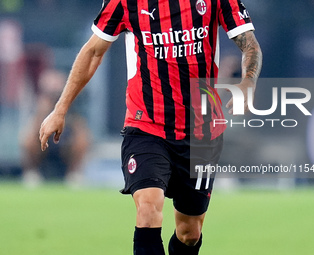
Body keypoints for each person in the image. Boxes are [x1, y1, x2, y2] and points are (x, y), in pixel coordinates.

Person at [39, 0, 262, 254]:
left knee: (189, 232)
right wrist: (60, 109)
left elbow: (249, 44)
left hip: (201, 132)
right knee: (148, 208)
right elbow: (93, 52)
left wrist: (249, 82)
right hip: (146, 126)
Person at [22, 69, 90, 187]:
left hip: (65, 141)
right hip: (44, 142)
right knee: (27, 140)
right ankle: (32, 173)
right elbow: (32, 130)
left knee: (82, 140)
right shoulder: (40, 106)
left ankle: (74, 174)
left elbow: (79, 127)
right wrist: (44, 109)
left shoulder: (72, 106)